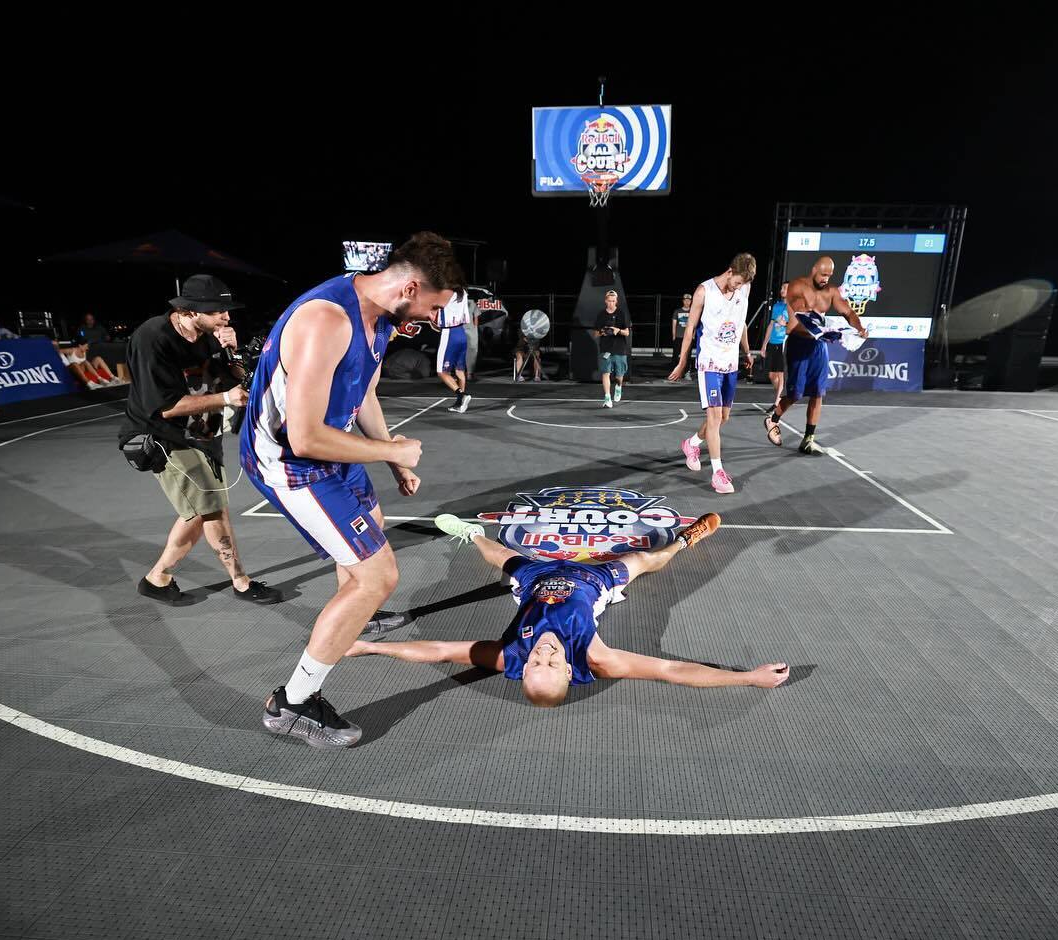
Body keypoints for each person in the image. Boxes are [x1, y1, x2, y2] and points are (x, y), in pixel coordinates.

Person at [244, 232, 464, 748]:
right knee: (377, 577)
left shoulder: (383, 318)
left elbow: (362, 389)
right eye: (434, 306)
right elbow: (305, 436)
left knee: (375, 532)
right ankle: (293, 704)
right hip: (292, 461)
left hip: (333, 447)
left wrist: (387, 451)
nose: (434, 320)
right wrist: (392, 452)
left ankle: (355, 620)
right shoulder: (327, 320)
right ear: (410, 285)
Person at [346, 512, 789, 706]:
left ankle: (466, 534)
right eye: (551, 663)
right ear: (568, 672)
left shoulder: (508, 657)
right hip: (594, 584)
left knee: (500, 556)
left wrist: (368, 649)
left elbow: (440, 650)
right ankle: (688, 538)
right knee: (649, 560)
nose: (544, 654)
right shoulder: (598, 659)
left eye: (535, 662)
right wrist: (746, 677)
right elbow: (673, 672)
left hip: (537, 583)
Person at [120, 274, 281, 608]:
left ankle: (157, 578)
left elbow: (233, 376)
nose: (226, 316)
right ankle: (241, 581)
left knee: (198, 513)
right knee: (212, 511)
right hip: (164, 437)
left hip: (203, 433)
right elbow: (164, 407)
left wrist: (232, 352)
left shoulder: (210, 335)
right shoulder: (153, 339)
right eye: (218, 310)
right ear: (190, 311)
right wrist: (225, 399)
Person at [666, 254, 756, 494]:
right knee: (715, 419)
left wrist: (747, 351)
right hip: (709, 363)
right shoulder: (704, 291)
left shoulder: (744, 289)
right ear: (730, 271)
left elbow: (741, 323)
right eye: (736, 282)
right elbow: (690, 328)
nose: (738, 287)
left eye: (742, 284)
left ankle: (692, 443)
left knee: (723, 418)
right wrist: (682, 360)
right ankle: (717, 474)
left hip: (730, 364)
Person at [762, 257, 868, 456]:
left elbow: (848, 312)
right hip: (798, 344)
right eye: (823, 274)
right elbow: (801, 319)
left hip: (818, 345)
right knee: (795, 394)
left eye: (829, 275)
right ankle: (773, 420)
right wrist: (824, 330)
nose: (826, 279)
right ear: (814, 270)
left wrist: (859, 328)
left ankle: (808, 439)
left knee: (818, 393)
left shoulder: (832, 292)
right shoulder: (797, 286)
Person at [434, 289, 472, 412]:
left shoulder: (445, 291)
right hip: (461, 332)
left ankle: (462, 395)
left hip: (449, 332)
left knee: (441, 371)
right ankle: (460, 404)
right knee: (460, 371)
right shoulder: (463, 291)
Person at [594, 290, 631, 408]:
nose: (611, 303)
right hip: (605, 349)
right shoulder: (601, 314)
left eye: (613, 301)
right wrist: (602, 332)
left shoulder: (621, 313)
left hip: (620, 349)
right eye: (609, 301)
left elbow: (627, 333)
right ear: (606, 301)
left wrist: (618, 330)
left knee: (619, 375)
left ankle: (618, 387)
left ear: (616, 301)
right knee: (606, 373)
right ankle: (607, 398)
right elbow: (595, 333)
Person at [761, 282, 790, 407]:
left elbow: (796, 325)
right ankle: (782, 396)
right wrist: (764, 345)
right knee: (772, 375)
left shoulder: (793, 307)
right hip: (772, 343)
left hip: (782, 343)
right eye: (782, 287)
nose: (782, 289)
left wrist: (786, 324)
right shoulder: (777, 306)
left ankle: (777, 401)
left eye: (785, 288)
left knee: (780, 374)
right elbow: (771, 325)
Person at [670, 292, 695, 380]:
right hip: (678, 336)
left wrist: (693, 335)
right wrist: (674, 335)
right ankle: (675, 373)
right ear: (683, 301)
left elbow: (695, 325)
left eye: (689, 300)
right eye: (686, 300)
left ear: (691, 301)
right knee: (676, 355)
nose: (687, 302)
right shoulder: (677, 311)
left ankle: (687, 373)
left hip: (688, 337)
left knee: (687, 356)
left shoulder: (693, 311)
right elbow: (674, 324)